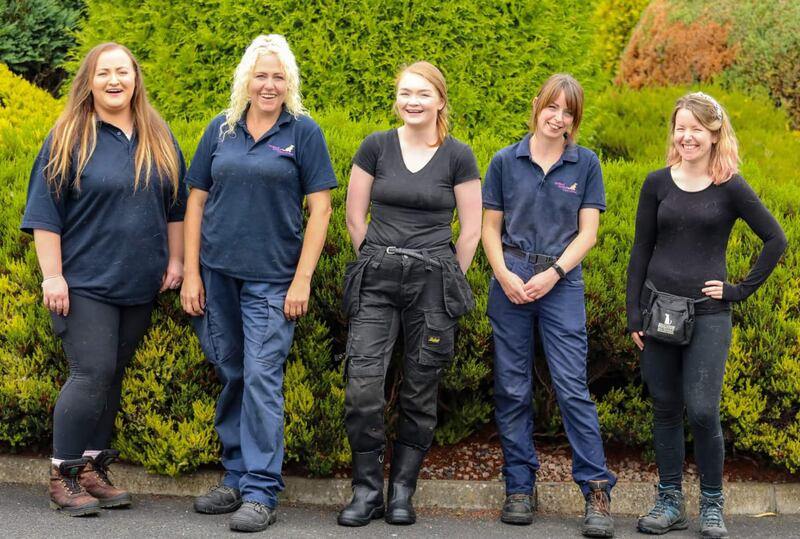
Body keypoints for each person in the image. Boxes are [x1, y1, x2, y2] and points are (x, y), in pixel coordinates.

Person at [22, 42, 187, 516]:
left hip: (139, 283)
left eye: (123, 72)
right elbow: (45, 215)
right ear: (88, 82)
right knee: (90, 374)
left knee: (111, 377)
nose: (114, 81)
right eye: (103, 73)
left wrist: (175, 261)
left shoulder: (157, 133)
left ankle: (92, 469)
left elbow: (174, 205)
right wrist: (52, 276)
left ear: (136, 79)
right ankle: (63, 474)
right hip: (84, 282)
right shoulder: (69, 137)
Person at [180, 34, 337, 533]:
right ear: (245, 80)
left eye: (278, 76)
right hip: (218, 276)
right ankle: (235, 476)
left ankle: (262, 491)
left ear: (289, 83)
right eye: (261, 75)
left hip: (273, 280)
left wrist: (302, 281)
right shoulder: (220, 131)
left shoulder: (304, 133)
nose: (269, 85)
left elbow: (321, 210)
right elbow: (196, 202)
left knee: (263, 378)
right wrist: (191, 272)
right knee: (233, 374)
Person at [627, 92, 786, 539]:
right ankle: (670, 501)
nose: (687, 136)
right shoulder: (656, 183)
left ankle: (712, 505)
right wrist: (633, 312)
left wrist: (738, 290)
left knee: (701, 410)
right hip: (659, 313)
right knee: (664, 408)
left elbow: (775, 240)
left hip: (709, 316)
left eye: (697, 128)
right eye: (681, 127)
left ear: (715, 134)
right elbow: (641, 249)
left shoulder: (731, 185)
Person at [338, 61, 482, 527]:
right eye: (405, 93)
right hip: (377, 280)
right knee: (362, 387)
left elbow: (472, 230)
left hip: (432, 285)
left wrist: (444, 277)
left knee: (420, 392)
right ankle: (366, 491)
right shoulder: (375, 146)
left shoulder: (459, 156)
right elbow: (354, 216)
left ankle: (402, 492)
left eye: (422, 93)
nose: (412, 101)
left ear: (440, 100)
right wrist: (377, 259)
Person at [482, 74, 616, 537]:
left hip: (561, 283)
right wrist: (503, 275)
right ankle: (519, 486)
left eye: (568, 113)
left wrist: (553, 273)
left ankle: (596, 489)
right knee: (512, 388)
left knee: (571, 387)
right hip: (510, 280)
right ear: (537, 107)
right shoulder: (504, 161)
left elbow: (588, 234)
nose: (558, 118)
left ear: (574, 121)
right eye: (552, 108)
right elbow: (489, 228)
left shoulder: (586, 165)